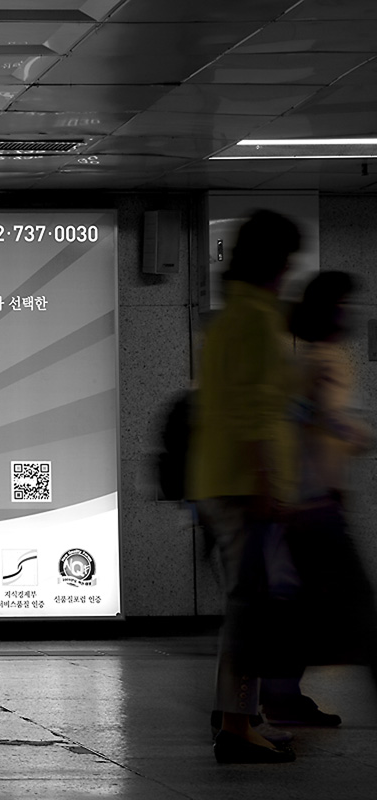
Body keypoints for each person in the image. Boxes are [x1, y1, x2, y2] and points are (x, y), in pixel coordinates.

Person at [188, 209, 301, 764]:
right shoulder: (256, 320)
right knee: (251, 608)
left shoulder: (230, 318)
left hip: (222, 478)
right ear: (274, 261)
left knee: (249, 604)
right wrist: (266, 485)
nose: (289, 271)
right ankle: (237, 724)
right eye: (287, 260)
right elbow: (255, 413)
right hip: (243, 484)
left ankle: (241, 715)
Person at [262, 271, 374, 723]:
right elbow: (330, 418)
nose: (352, 312)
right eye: (345, 304)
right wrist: (364, 435)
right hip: (316, 505)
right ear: (331, 311)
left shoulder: (306, 359)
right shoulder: (325, 361)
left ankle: (278, 696)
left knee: (301, 610)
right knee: (361, 609)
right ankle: (275, 696)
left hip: (304, 503)